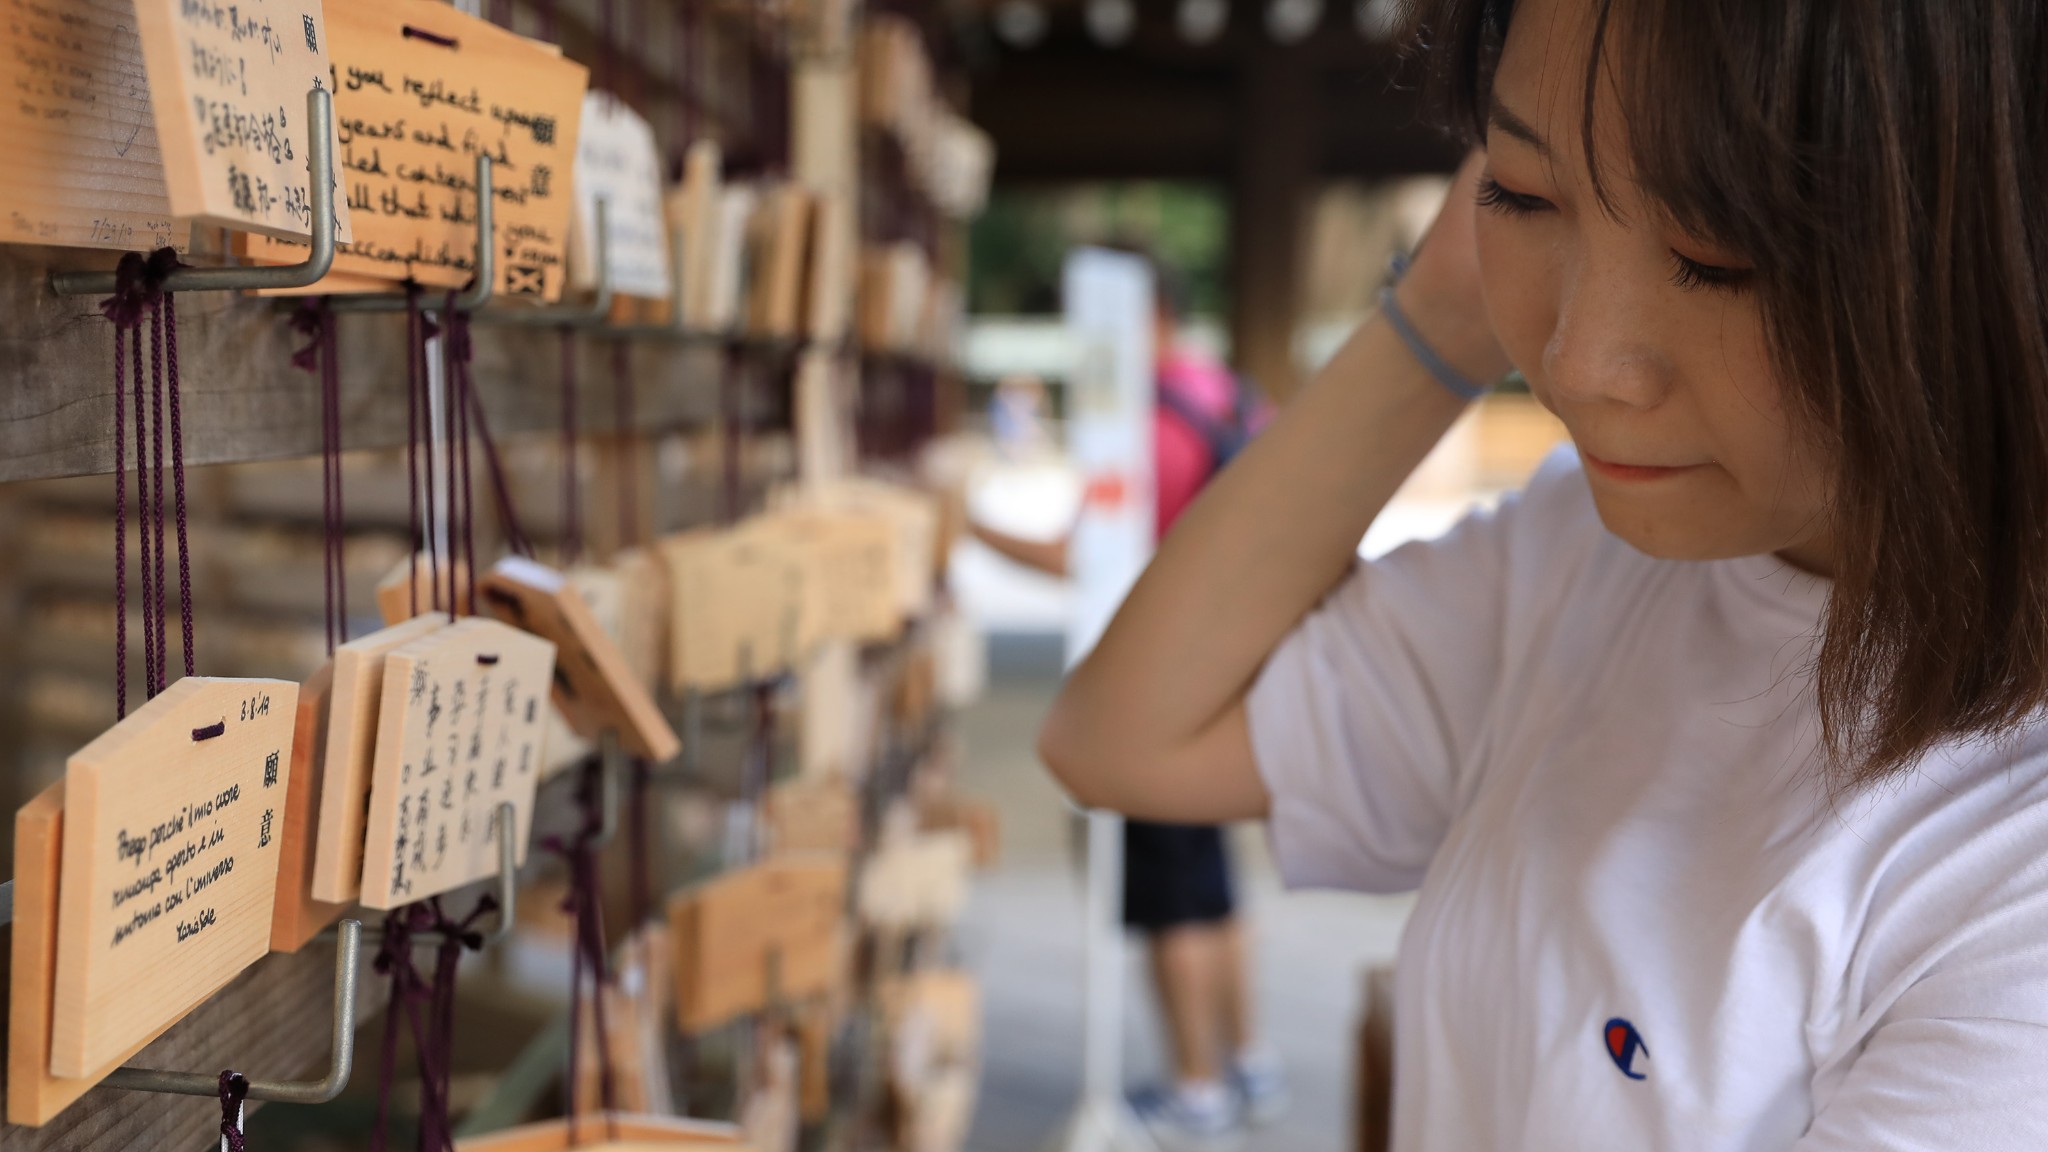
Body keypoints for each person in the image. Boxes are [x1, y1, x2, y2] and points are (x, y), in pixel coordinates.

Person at [1038, 0, 2048, 1149]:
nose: (1576, 364)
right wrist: (1434, 321)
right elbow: (1118, 737)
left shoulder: (2010, 872)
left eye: (1717, 256)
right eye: (1518, 192)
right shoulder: (1583, 553)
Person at [971, 256, 1288, 1144]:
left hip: (1167, 679)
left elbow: (1087, 555)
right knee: (1216, 881)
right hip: (1238, 667)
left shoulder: (1148, 421)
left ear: (1137, 317)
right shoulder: (1229, 393)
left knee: (1172, 889)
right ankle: (1247, 1058)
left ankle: (1195, 1083)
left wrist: (967, 526)